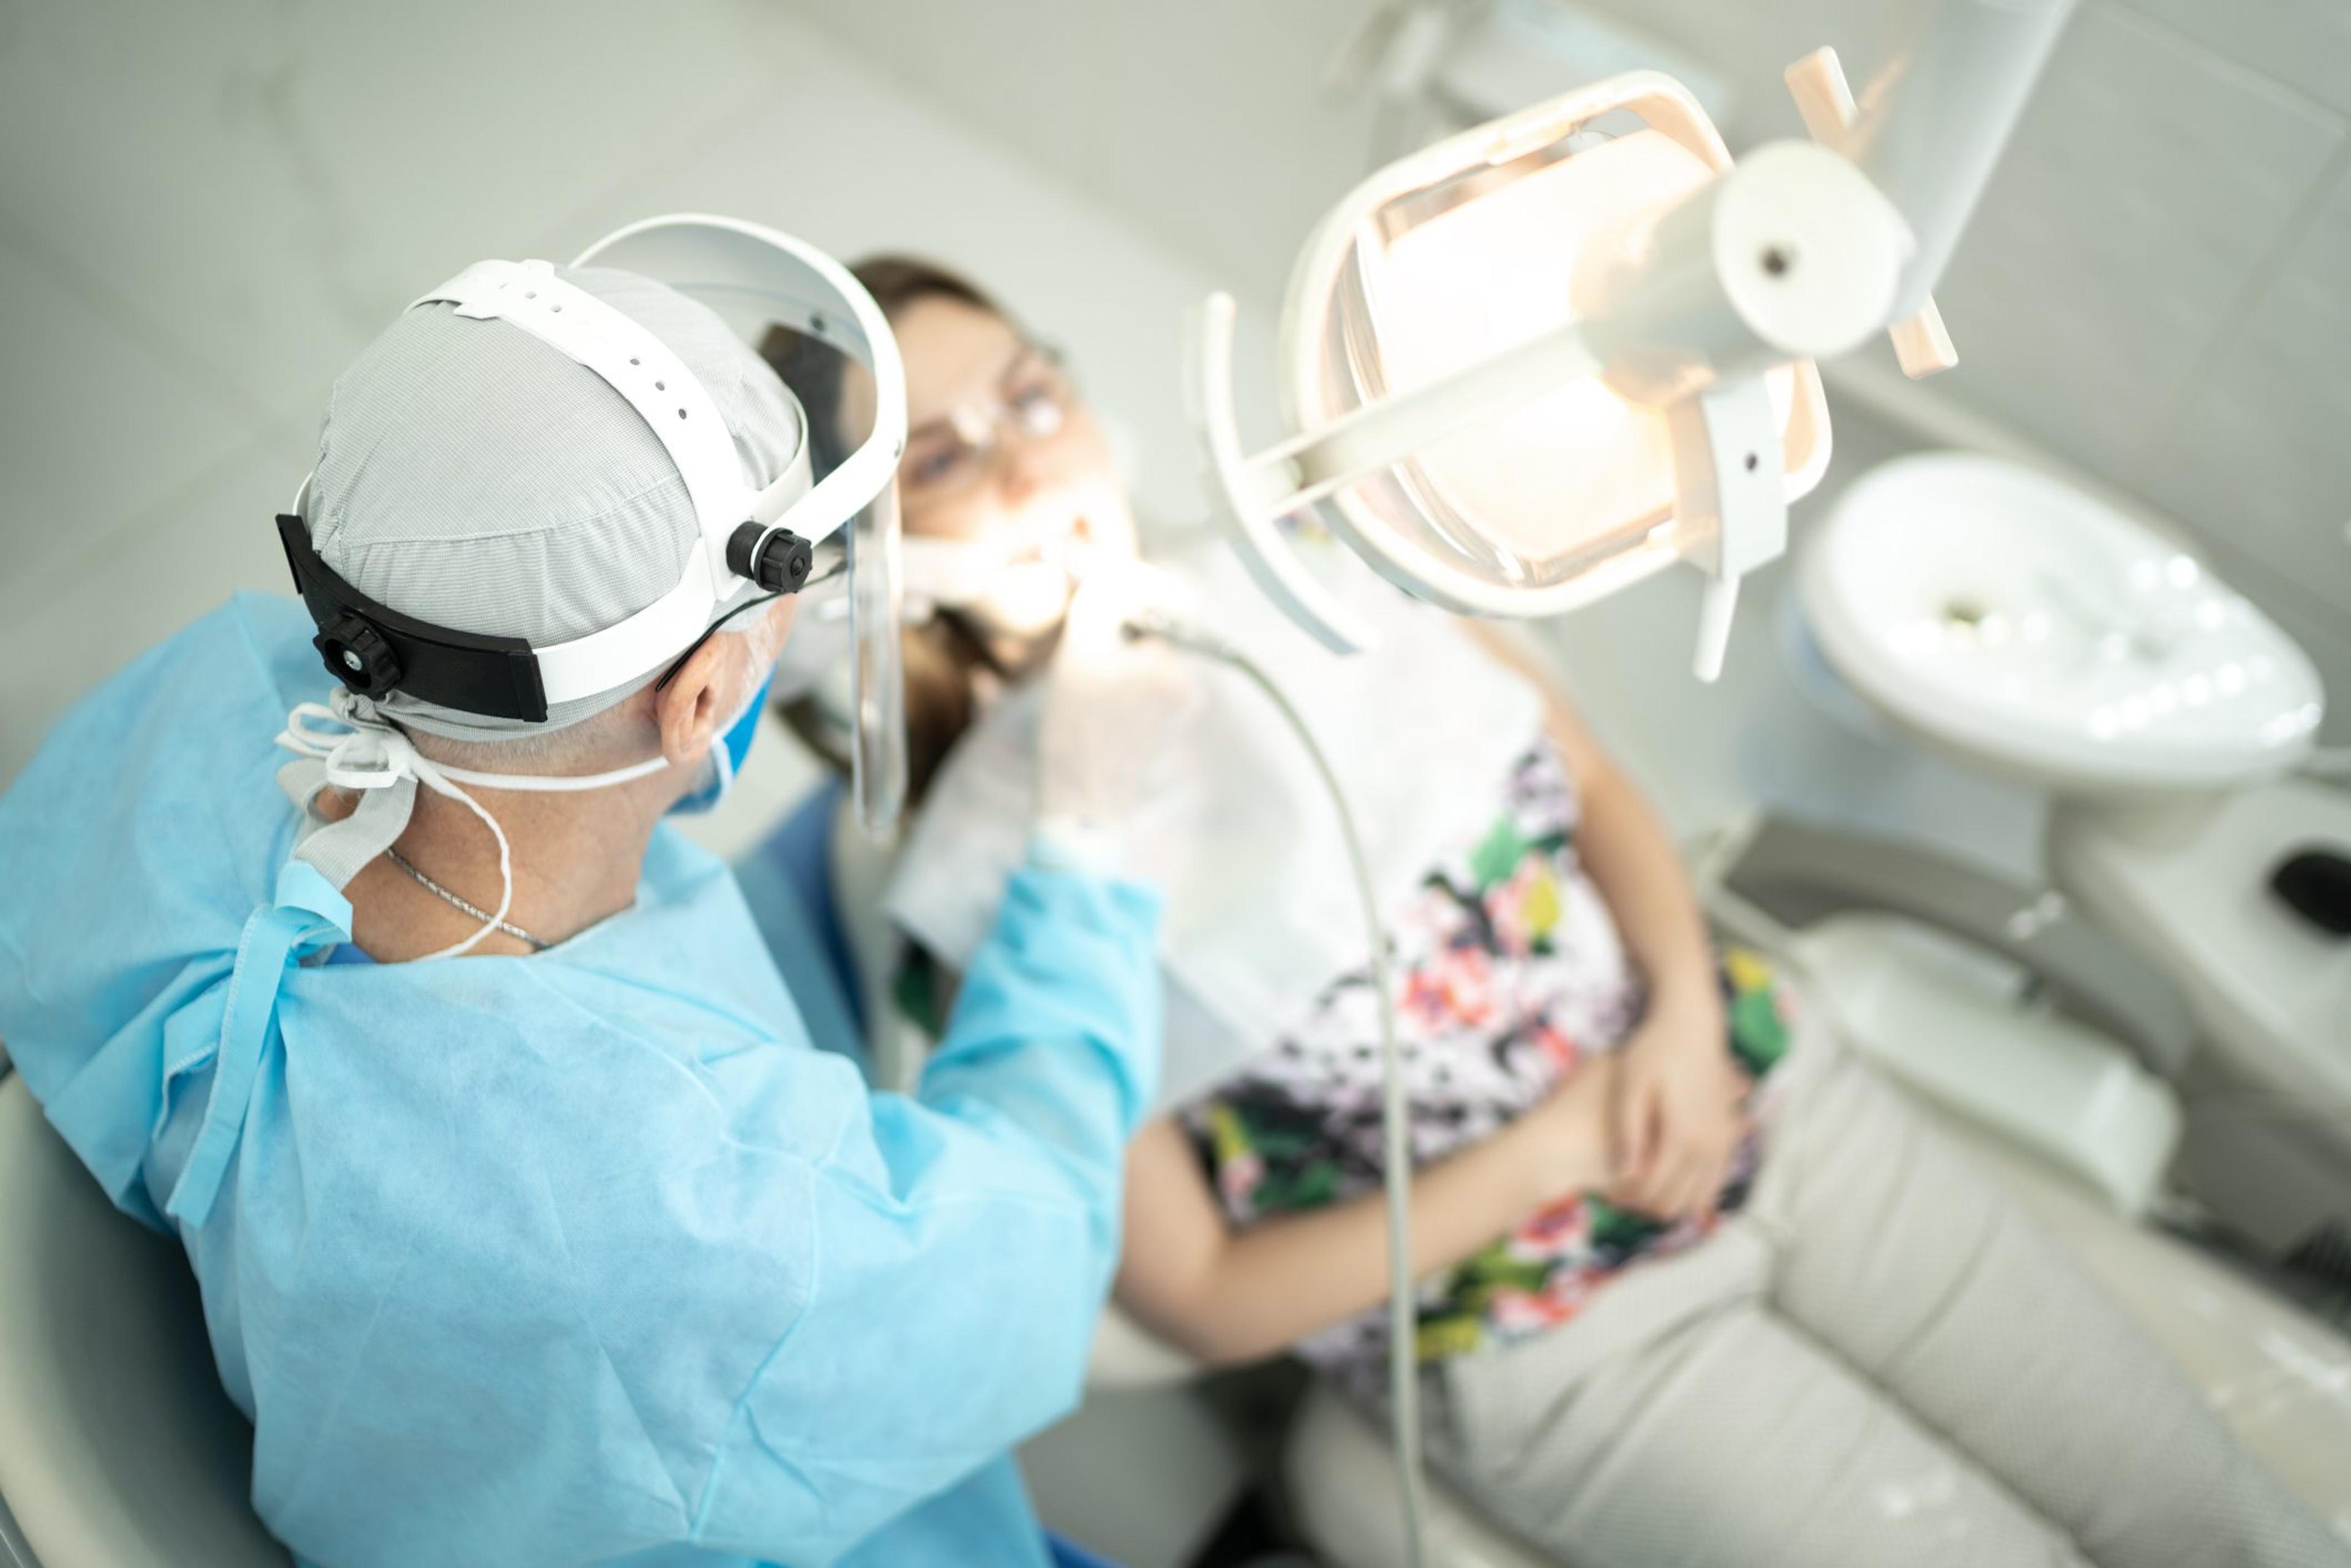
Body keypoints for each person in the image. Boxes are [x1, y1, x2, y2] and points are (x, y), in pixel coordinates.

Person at [765, 255, 2349, 1568]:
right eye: (945, 458)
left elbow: (1589, 780)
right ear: (866, 557)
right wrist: (1561, 1147)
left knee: (2210, 1512)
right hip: (1545, 1340)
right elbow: (1200, 1293)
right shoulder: (983, 899)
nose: (1032, 456)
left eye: (1030, 395)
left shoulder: (1320, 561)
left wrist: (1674, 1009)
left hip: (1760, 1099)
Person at [0, 257, 1180, 1568]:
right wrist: (1081, 847)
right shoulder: (704, 1233)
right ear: (694, 701)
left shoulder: (210, 703)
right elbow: (1042, 1267)